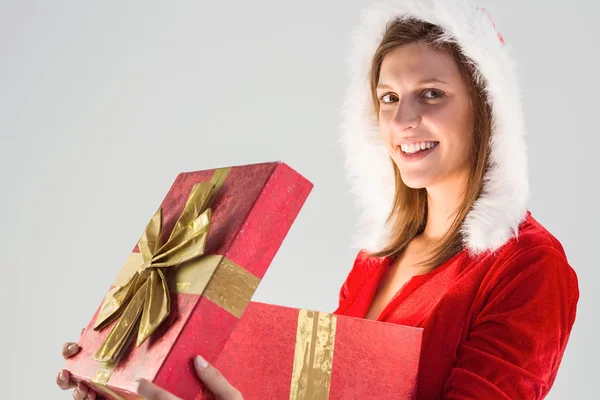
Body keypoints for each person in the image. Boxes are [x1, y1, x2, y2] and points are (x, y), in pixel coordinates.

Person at [57, 0, 580, 398]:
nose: (402, 121)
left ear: (486, 107)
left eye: (432, 94)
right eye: (389, 98)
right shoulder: (376, 258)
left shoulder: (530, 267)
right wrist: (133, 372)